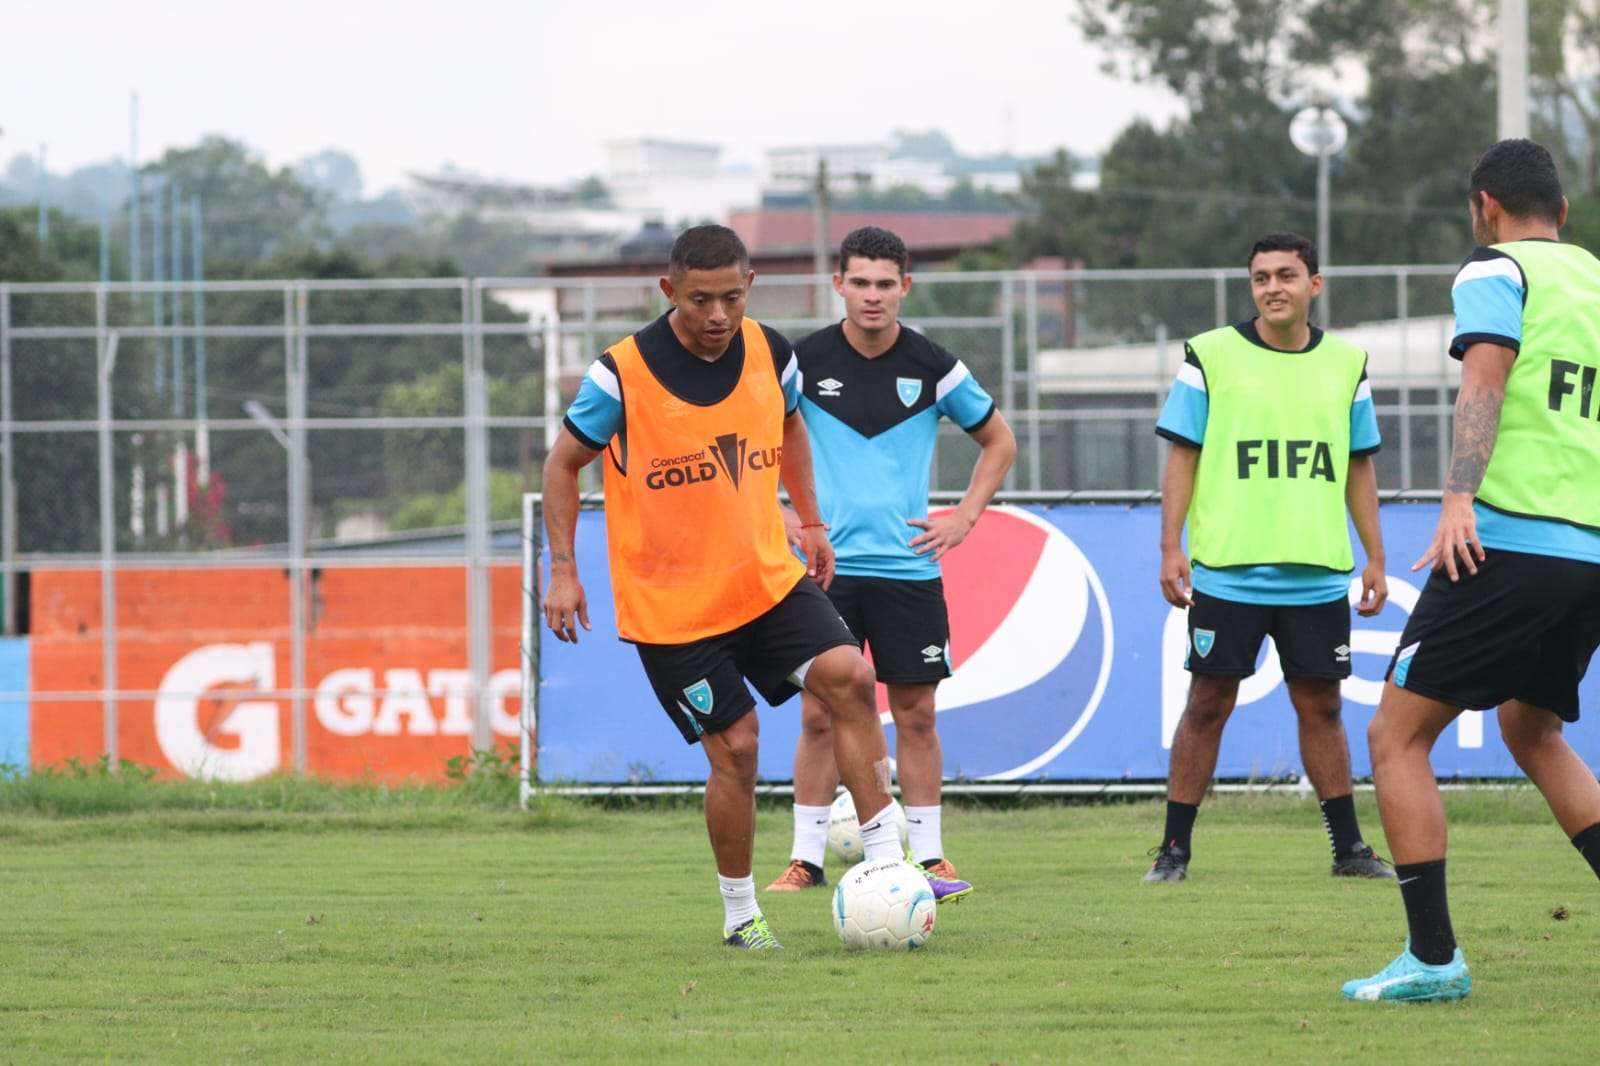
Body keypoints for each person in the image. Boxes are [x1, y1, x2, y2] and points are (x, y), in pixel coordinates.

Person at [542, 224, 968, 952]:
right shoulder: (621, 374)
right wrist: (563, 569)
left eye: (732, 299)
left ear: (749, 291)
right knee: (737, 747)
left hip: (765, 576)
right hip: (673, 603)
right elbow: (561, 466)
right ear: (668, 291)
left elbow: (793, 426)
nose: (717, 316)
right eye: (700, 300)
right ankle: (742, 917)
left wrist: (811, 522)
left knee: (849, 676)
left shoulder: (772, 351)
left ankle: (888, 870)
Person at [1344, 139, 1600, 1003]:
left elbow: (1483, 381)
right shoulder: (1594, 280)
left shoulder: (1495, 270)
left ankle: (1432, 958)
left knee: (1395, 737)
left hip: (1511, 538)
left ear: (1485, 205)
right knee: (1535, 733)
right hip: (1589, 552)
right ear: (1561, 212)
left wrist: (1459, 496)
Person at [763, 226, 1015, 894]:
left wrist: (963, 517)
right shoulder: (797, 362)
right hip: (824, 573)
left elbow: (999, 441)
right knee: (818, 716)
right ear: (837, 285)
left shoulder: (934, 365)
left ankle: (929, 856)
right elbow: (752, 441)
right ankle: (806, 859)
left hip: (907, 569)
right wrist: (780, 512)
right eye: (860, 283)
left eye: (885, 284)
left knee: (917, 714)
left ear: (905, 287)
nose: (873, 297)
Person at [1145, 232, 1393, 884]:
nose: (1273, 286)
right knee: (1208, 702)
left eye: (1287, 274)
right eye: (1261, 277)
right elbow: (1183, 456)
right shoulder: (1211, 355)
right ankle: (1173, 851)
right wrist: (1172, 545)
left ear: (1315, 284)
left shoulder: (1347, 362)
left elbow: (1359, 466)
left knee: (1324, 708)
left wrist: (1375, 556)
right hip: (1230, 569)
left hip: (1314, 572)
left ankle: (1348, 850)